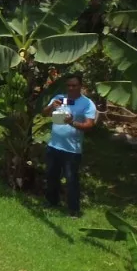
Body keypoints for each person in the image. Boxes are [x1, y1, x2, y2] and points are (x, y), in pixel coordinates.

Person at [45, 74, 98, 217]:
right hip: (54, 146)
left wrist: (72, 122)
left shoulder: (87, 104)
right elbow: (45, 114)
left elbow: (89, 125)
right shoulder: (60, 98)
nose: (71, 88)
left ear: (80, 86)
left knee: (71, 180)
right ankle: (52, 202)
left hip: (71, 150)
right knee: (51, 176)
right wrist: (51, 106)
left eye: (74, 85)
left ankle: (74, 210)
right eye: (68, 85)